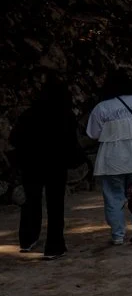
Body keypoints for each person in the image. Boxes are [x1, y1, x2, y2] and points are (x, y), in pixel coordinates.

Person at [12, 69, 81, 259]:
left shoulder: (29, 114)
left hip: (31, 164)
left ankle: (27, 239)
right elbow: (71, 142)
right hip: (56, 164)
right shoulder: (65, 115)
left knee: (31, 201)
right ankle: (54, 246)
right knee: (55, 205)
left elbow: (15, 138)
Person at [86, 67, 132, 248]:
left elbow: (93, 133)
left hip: (113, 158)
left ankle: (118, 235)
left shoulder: (102, 108)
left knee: (113, 196)